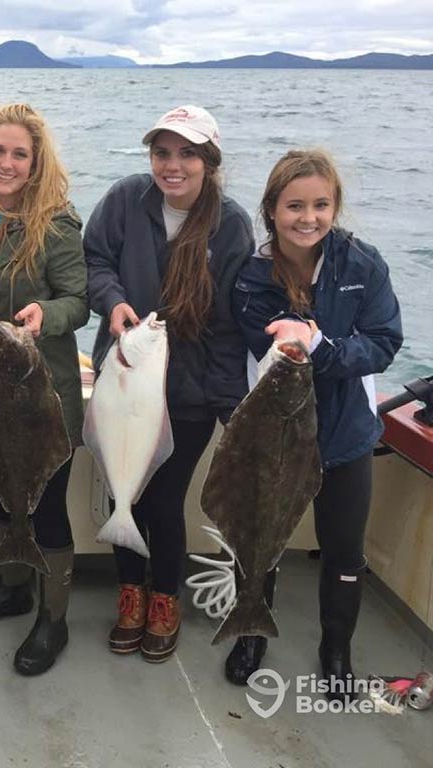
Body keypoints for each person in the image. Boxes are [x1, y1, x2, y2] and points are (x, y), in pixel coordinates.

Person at [84, 105, 255, 663]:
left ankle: (164, 598)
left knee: (162, 501)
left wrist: (232, 407)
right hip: (124, 379)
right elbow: (94, 262)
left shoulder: (230, 225)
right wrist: (112, 303)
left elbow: (231, 325)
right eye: (162, 152)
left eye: (186, 153)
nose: (172, 165)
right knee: (121, 491)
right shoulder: (125, 199)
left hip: (189, 393)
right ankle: (129, 596)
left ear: (209, 161)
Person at [230, 149, 403, 696]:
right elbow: (263, 344)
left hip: (344, 435)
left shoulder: (363, 264)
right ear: (272, 209)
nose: (308, 218)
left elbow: (383, 343)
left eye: (321, 205)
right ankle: (251, 632)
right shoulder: (250, 276)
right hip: (272, 436)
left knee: (344, 550)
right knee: (260, 538)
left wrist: (319, 345)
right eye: (295, 206)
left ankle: (337, 649)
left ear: (335, 207)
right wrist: (297, 345)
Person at [0, 103, 88, 675]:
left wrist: (46, 314)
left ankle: (52, 619)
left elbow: (78, 301)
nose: (6, 164)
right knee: (5, 493)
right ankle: (12, 589)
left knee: (49, 504)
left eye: (19, 154)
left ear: (36, 165)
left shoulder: (56, 224)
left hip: (43, 394)